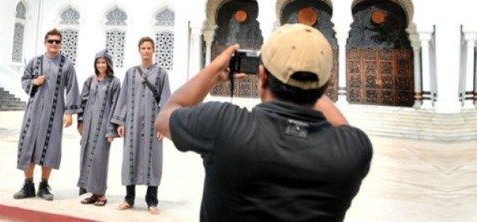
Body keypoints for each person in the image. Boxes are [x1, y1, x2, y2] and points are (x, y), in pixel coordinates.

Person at [155, 24, 373, 222]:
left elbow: (165, 116)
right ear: (326, 85)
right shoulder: (353, 151)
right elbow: (343, 127)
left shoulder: (224, 125)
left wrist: (212, 71)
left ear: (262, 76)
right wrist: (307, 82)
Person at [14, 28, 81, 201]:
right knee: (28, 143)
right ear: (45, 43)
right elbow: (24, 79)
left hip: (54, 112)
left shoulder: (66, 64)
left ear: (61, 44)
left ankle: (44, 185)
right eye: (51, 41)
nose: (54, 44)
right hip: (33, 111)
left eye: (57, 41)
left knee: (50, 146)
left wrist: (69, 113)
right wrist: (34, 82)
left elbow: (72, 87)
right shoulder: (35, 62)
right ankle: (28, 184)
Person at [110, 36, 171, 214]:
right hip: (133, 123)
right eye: (143, 48)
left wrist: (163, 126)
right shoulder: (130, 73)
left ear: (153, 50)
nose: (146, 51)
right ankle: (129, 198)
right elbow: (123, 99)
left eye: (149, 48)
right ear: (139, 50)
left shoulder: (161, 73)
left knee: (154, 161)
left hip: (153, 125)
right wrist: (120, 121)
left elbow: (167, 100)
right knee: (131, 158)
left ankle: (152, 201)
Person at [76, 50, 121, 207]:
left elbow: (116, 105)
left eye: (103, 62)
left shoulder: (114, 82)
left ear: (108, 64)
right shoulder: (90, 80)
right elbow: (82, 100)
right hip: (89, 125)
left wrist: (111, 130)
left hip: (103, 126)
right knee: (87, 156)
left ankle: (101, 194)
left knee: (99, 159)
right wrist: (80, 121)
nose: (101, 65)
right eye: (98, 62)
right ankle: (93, 193)